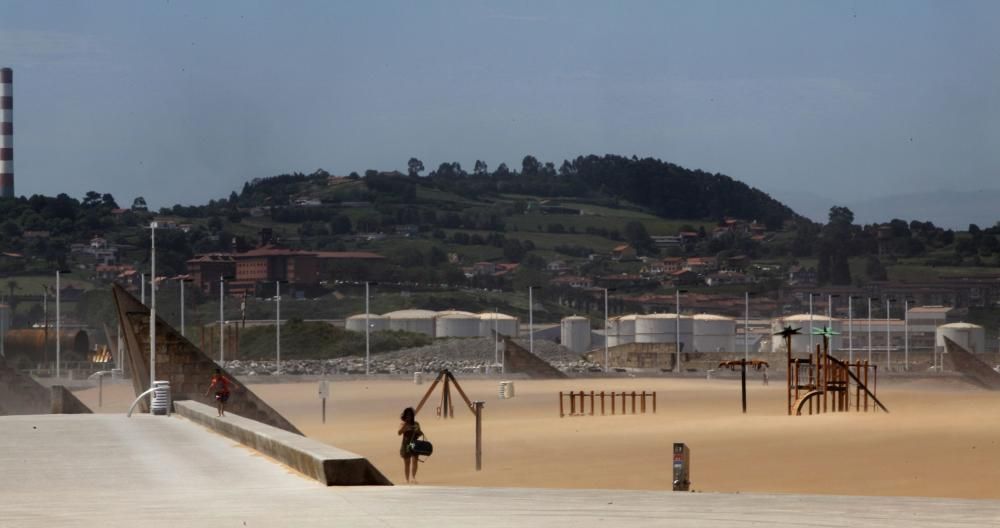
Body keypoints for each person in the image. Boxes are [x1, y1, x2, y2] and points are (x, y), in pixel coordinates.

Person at [397, 407, 423, 484]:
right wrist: (405, 426)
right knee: (407, 463)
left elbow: (420, 433)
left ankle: (413, 477)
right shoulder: (403, 424)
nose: (409, 417)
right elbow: (399, 432)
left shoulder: (416, 424)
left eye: (410, 415)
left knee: (415, 461)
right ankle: (407, 479)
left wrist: (417, 430)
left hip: (414, 444)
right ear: (405, 416)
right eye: (407, 415)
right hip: (406, 445)